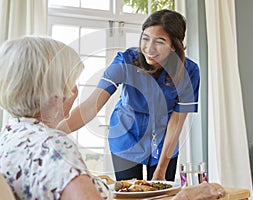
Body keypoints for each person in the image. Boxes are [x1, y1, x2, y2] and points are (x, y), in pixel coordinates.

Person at [59, 9, 200, 182]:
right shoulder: (125, 61)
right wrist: (53, 132)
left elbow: (176, 122)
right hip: (126, 136)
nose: (149, 48)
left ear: (174, 45)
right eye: (145, 38)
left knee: (161, 193)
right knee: (129, 193)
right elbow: (91, 106)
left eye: (160, 41)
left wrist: (161, 169)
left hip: (165, 141)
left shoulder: (189, 72)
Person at [0, 36, 112, 199]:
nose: (74, 91)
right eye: (71, 82)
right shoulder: (52, 146)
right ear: (55, 92)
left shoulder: (8, 137)